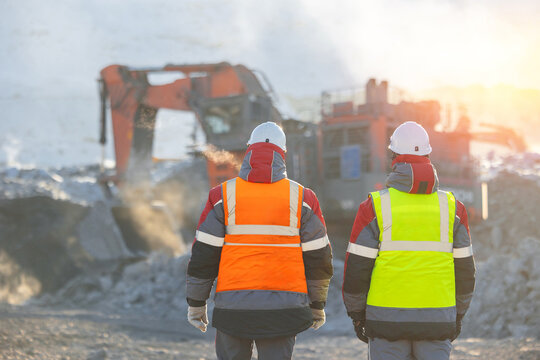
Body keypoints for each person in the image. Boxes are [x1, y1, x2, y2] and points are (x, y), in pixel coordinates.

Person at [186, 122, 333, 360]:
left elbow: (204, 254)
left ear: (248, 152)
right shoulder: (303, 198)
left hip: (232, 310)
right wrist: (317, 304)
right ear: (282, 154)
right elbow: (319, 257)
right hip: (284, 311)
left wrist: (196, 302)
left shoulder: (221, 196)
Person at [342, 121, 476, 360]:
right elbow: (465, 271)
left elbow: (356, 268)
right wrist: (457, 315)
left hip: (385, 322)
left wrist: (357, 315)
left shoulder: (374, 206)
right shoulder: (453, 208)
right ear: (428, 155)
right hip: (437, 321)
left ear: (393, 156)